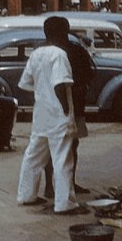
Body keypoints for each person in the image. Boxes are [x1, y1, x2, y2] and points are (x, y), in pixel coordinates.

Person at [16, 16, 87, 215]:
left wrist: (41, 96)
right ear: (64, 33)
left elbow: (26, 83)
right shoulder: (59, 55)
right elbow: (60, 84)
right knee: (63, 158)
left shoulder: (36, 54)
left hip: (41, 114)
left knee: (33, 156)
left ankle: (26, 195)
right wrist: (65, 108)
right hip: (58, 115)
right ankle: (65, 204)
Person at [43, 26, 96, 198]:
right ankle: (68, 184)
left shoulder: (41, 51)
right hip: (72, 105)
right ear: (65, 31)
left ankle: (50, 186)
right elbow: (89, 73)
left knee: (51, 146)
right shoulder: (75, 50)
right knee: (72, 145)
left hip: (47, 105)